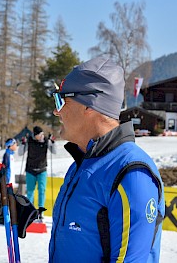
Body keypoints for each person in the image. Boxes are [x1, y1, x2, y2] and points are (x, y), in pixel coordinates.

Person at [48, 55, 165, 262]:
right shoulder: (82, 163)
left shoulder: (131, 173)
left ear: (89, 106)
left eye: (61, 100)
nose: (57, 112)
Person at [18, 126, 56, 217]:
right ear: (35, 135)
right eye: (40, 135)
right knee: (30, 191)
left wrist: (53, 143)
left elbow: (54, 152)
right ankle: (29, 211)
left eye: (42, 134)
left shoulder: (46, 141)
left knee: (42, 190)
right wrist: (23, 144)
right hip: (30, 170)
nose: (42, 136)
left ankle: (40, 211)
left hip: (42, 169)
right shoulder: (29, 140)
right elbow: (20, 153)